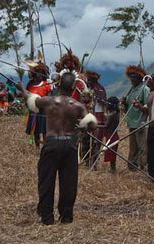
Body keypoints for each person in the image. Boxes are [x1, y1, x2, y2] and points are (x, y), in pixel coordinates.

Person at [19, 71, 98, 224]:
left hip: (51, 143)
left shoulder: (49, 101)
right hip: (69, 145)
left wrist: (22, 87)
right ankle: (66, 217)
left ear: (59, 84)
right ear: (74, 87)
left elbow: (31, 99)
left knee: (46, 182)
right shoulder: (78, 106)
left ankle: (47, 217)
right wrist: (82, 128)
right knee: (68, 183)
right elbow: (93, 125)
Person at [123, 65, 150, 173]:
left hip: (141, 122)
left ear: (139, 78)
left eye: (135, 77)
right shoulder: (132, 90)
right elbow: (128, 108)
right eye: (131, 77)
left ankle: (143, 168)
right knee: (133, 146)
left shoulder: (144, 89)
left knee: (142, 147)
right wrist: (124, 102)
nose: (132, 79)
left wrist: (139, 106)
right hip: (131, 122)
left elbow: (148, 108)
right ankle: (132, 167)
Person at [24, 64, 51, 148]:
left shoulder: (46, 84)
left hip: (43, 111)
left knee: (44, 131)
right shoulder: (30, 84)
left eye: (41, 73)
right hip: (33, 111)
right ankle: (37, 147)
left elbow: (49, 99)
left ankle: (45, 147)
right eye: (37, 72)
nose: (39, 74)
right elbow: (26, 95)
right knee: (35, 131)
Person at [99, 96, 120, 173]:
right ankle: (113, 168)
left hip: (112, 136)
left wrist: (96, 126)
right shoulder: (116, 113)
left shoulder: (112, 115)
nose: (106, 105)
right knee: (112, 154)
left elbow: (106, 125)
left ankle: (113, 169)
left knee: (111, 153)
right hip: (113, 135)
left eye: (107, 104)